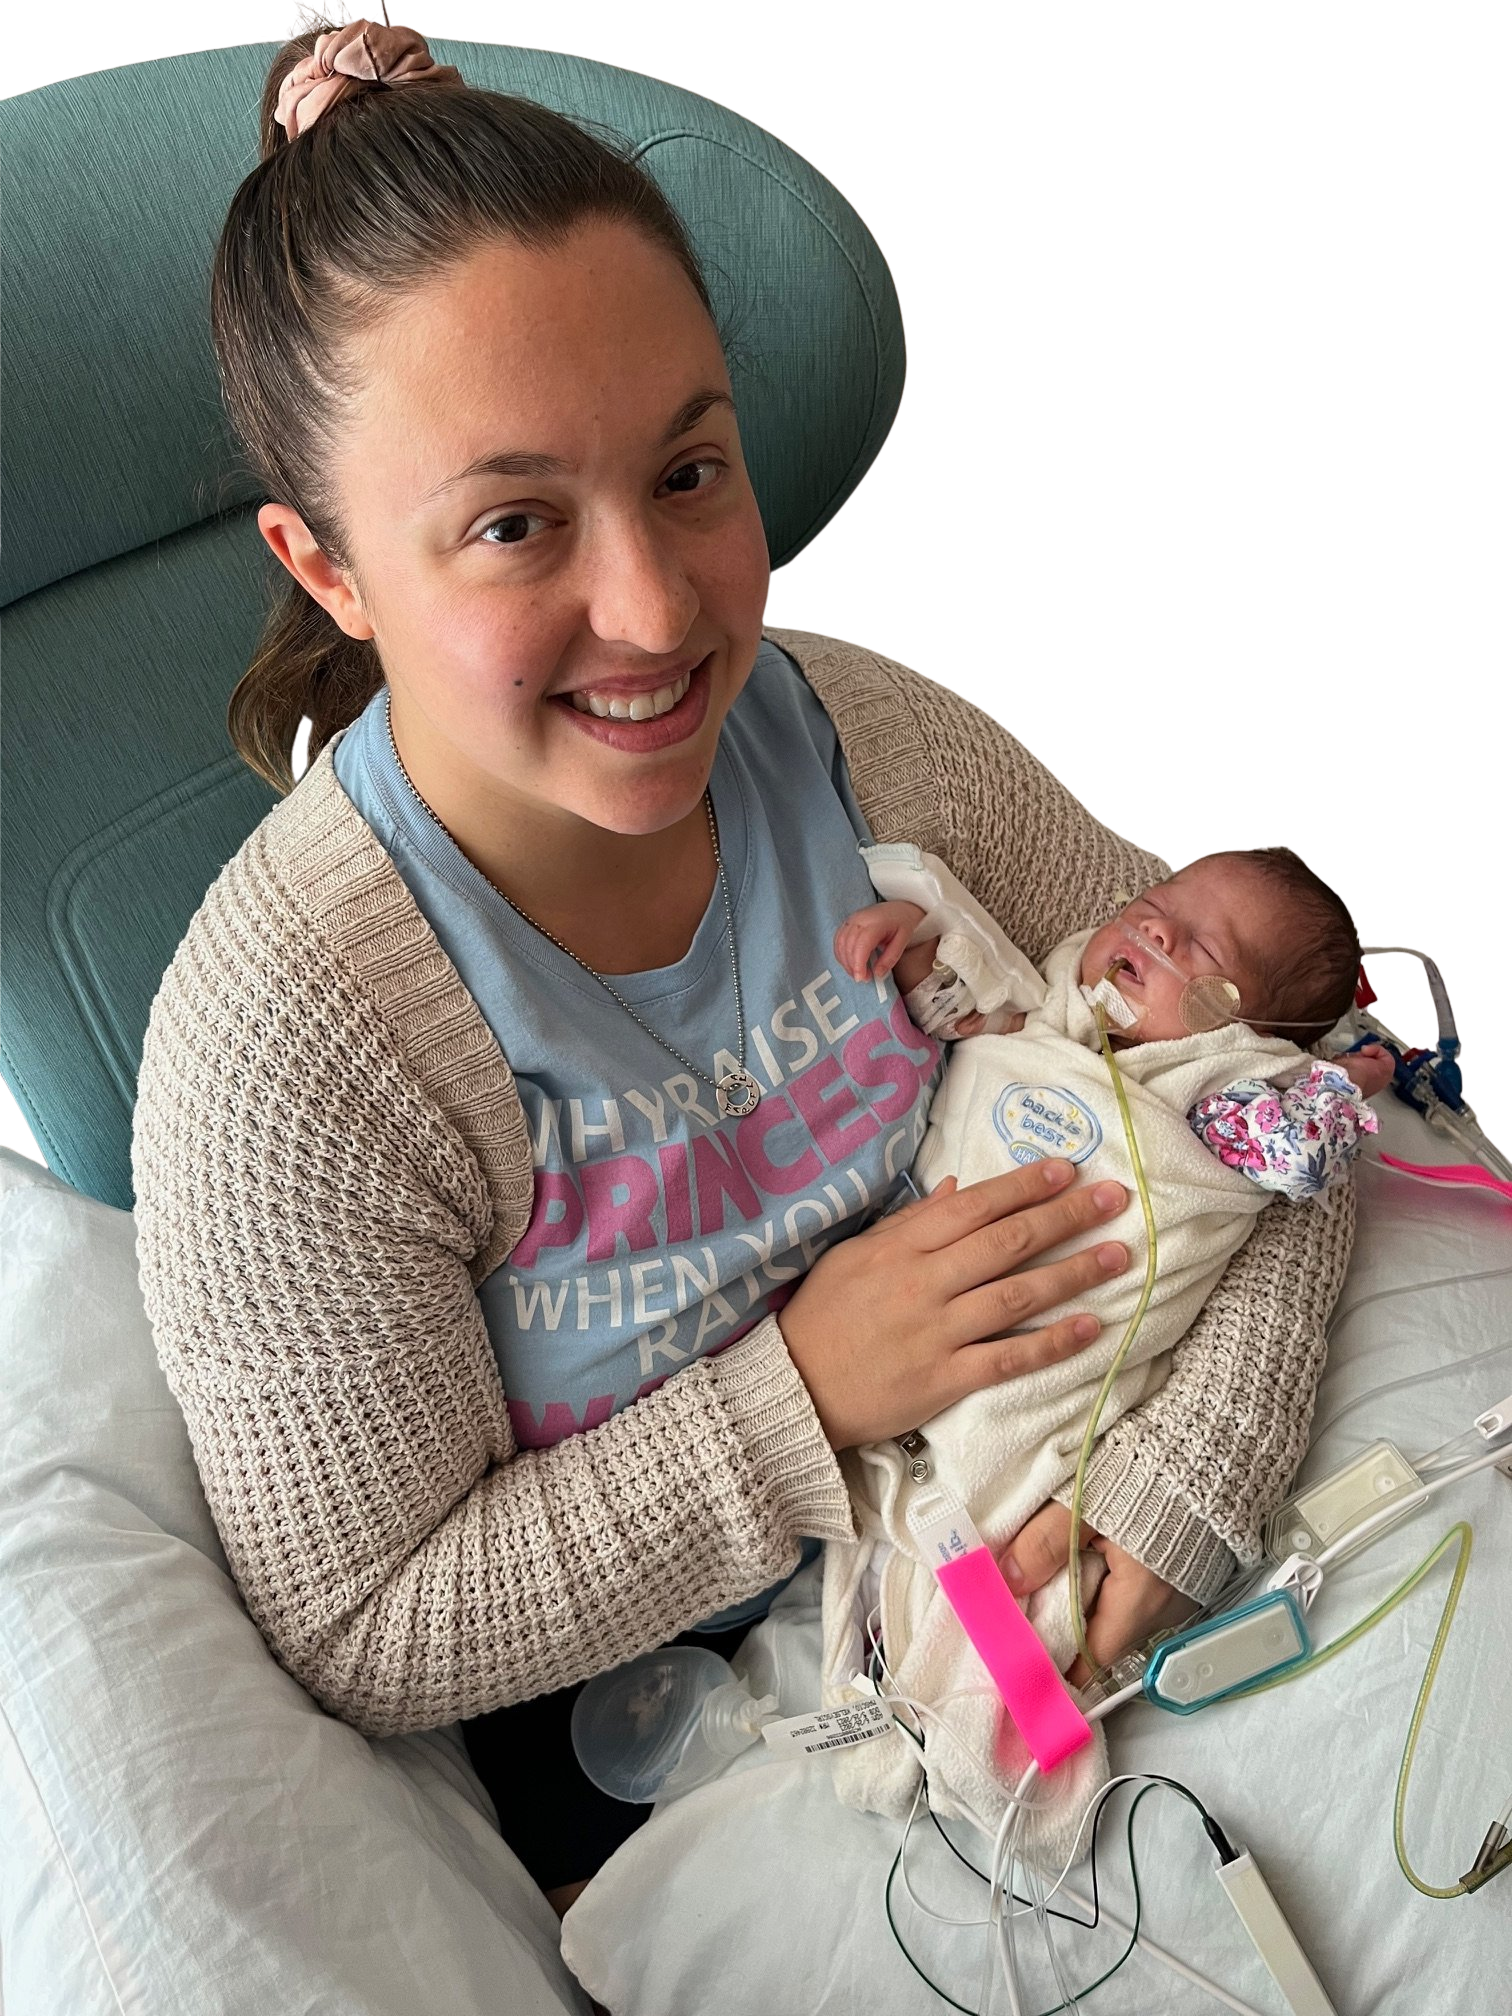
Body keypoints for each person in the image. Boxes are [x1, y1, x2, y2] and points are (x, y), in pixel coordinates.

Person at [128, 16, 1356, 1930]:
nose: (657, 608)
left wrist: (1185, 1481)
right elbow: (365, 1621)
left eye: (690, 472)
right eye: (516, 523)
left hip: (1084, 1556)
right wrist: (807, 1391)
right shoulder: (293, 1050)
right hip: (695, 1751)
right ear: (333, 567)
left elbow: (1287, 1055)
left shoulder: (869, 745)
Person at [812, 845, 1391, 1846]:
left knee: (1008, 1563)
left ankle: (1009, 1772)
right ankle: (863, 1706)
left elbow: (1304, 1160)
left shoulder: (1225, 1085)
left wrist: (1340, 1084)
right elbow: (975, 1021)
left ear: (1249, 1023)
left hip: (1050, 1388)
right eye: (1151, 908)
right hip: (897, 1352)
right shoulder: (1055, 1009)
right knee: (872, 1542)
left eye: (1198, 945)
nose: (1153, 930)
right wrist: (923, 965)